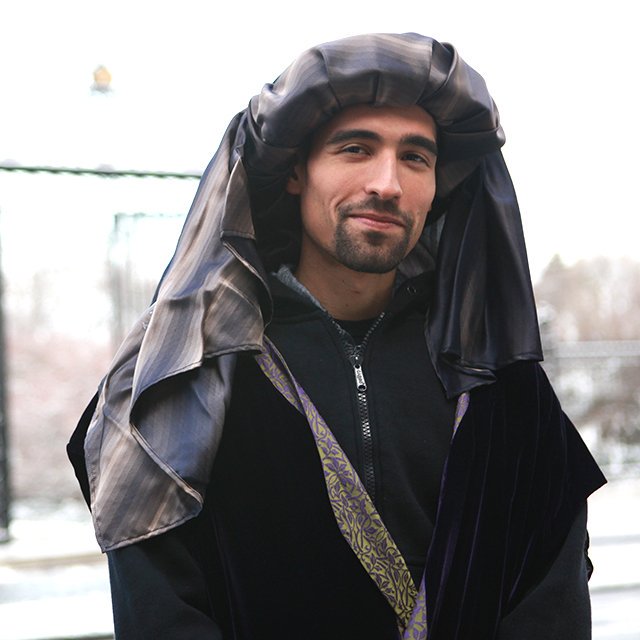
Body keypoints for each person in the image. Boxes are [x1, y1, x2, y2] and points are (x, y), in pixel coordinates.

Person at [68, 33, 606, 639]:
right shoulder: (189, 376)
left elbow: (551, 598)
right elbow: (158, 608)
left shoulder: (494, 380)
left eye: (416, 157)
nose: (387, 183)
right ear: (297, 171)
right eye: (356, 149)